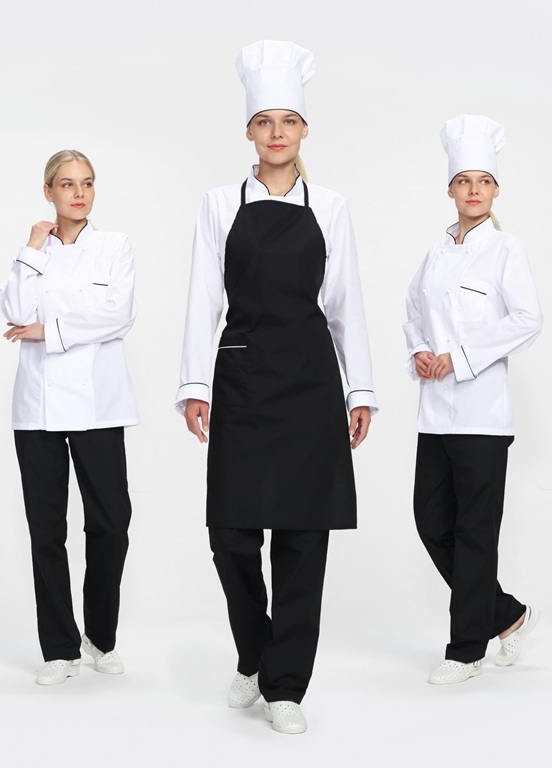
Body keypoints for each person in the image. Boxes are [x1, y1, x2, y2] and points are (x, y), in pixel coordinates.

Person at [176, 40, 377, 734]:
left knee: (303, 536)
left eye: (288, 121)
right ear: (249, 132)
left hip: (311, 382)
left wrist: (360, 391)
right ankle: (255, 653)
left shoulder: (332, 205)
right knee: (231, 533)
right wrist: (194, 384)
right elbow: (203, 299)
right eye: (265, 122)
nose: (277, 133)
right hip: (241, 376)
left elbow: (346, 303)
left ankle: (285, 685)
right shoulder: (217, 203)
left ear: (304, 130)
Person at [404, 115, 542, 685]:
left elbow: (528, 318)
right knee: (430, 522)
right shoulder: (436, 254)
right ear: (451, 190)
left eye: (484, 181)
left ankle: (465, 651)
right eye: (464, 181)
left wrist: (459, 357)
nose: (474, 190)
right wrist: (419, 351)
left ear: (496, 190)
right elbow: (413, 311)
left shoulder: (506, 250)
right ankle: (506, 614)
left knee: (474, 532)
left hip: (482, 415)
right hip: (435, 413)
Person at [0, 150, 139, 685]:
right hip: (37, 406)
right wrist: (32, 249)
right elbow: (16, 311)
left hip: (99, 403)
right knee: (45, 530)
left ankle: (100, 637)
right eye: (66, 184)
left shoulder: (114, 246)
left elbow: (118, 316)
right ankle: (59, 649)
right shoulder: (32, 253)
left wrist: (49, 330)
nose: (78, 193)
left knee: (111, 523)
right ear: (48, 191)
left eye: (86, 183)